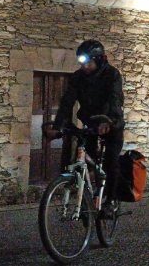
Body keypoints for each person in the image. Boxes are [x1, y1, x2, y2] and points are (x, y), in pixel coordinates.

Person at [44, 39, 125, 214]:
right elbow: (67, 102)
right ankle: (88, 197)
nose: (85, 67)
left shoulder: (112, 75)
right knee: (88, 158)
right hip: (90, 122)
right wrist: (58, 127)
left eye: (89, 63)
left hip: (111, 123)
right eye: (83, 63)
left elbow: (115, 100)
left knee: (111, 159)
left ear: (99, 60)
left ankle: (110, 201)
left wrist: (109, 120)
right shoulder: (78, 77)